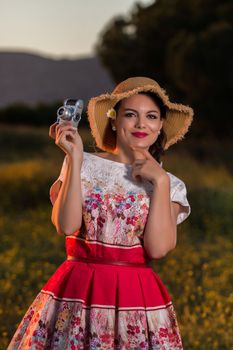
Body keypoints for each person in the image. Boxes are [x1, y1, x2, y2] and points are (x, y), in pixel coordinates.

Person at [8, 76, 193, 349]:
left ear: (160, 125)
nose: (142, 124)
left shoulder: (171, 184)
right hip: (77, 290)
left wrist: (160, 182)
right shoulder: (83, 163)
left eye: (151, 116)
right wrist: (74, 159)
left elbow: (158, 249)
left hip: (136, 297)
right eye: (131, 114)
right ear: (115, 120)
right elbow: (66, 226)